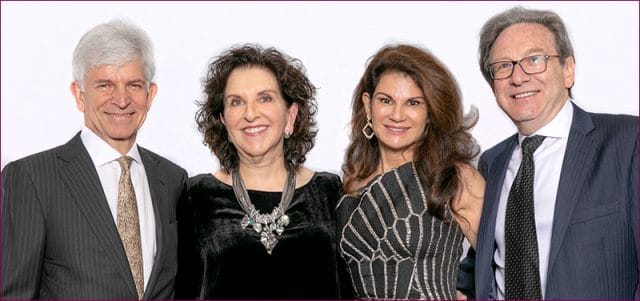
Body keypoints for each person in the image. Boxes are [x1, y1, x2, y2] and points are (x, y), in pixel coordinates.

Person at [461, 6, 638, 300]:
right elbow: (486, 261)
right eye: (503, 66)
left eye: (534, 60)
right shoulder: (491, 163)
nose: (518, 77)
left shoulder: (628, 141)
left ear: (568, 70)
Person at [1, 20, 187, 299]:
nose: (121, 99)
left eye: (134, 84)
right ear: (79, 94)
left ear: (150, 96)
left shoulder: (173, 179)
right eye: (105, 85)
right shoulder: (32, 178)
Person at [175, 44, 350, 299]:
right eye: (236, 102)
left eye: (265, 98)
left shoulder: (328, 191)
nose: (250, 113)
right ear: (223, 121)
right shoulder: (196, 195)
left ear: (290, 115)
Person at [337, 44, 485, 300]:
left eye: (413, 103)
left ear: (430, 112)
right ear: (368, 104)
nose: (397, 115)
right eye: (386, 100)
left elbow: (505, 263)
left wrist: (467, 290)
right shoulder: (351, 183)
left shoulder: (456, 178)